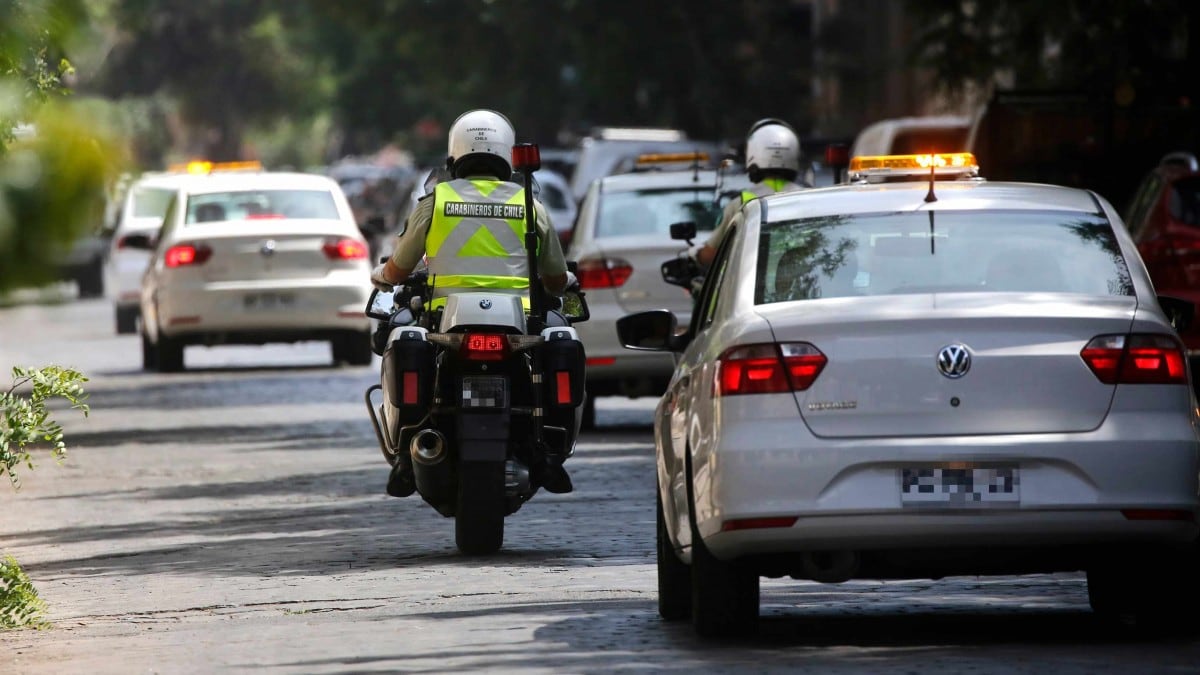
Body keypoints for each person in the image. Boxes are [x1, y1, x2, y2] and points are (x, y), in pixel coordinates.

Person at [369, 108, 575, 495]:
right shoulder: (530, 204)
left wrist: (380, 276)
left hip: (446, 321)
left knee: (402, 341)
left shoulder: (437, 200)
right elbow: (554, 277)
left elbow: (398, 268)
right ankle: (549, 452)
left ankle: (404, 457)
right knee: (558, 347)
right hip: (519, 326)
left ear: (454, 156)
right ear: (507, 154)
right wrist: (566, 283)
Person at [693, 118, 807, 268]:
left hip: (751, 287)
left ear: (753, 153)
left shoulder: (740, 203)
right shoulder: (809, 198)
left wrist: (695, 253)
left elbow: (711, 255)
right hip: (804, 283)